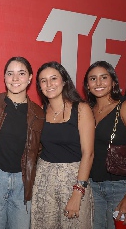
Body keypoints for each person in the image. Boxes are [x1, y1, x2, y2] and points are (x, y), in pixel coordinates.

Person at [0, 56, 44, 229]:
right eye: (10, 73)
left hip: (23, 184)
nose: (15, 79)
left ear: (30, 77)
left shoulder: (39, 113)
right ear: (4, 77)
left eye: (21, 73)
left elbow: (39, 151)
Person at [31, 61, 95, 228]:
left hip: (74, 179)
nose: (49, 84)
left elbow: (88, 153)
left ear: (64, 81)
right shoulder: (40, 111)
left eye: (53, 78)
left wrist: (78, 192)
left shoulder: (81, 109)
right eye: (43, 81)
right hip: (44, 179)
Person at [84, 61, 126, 229]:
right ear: (87, 85)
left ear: (113, 82)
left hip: (121, 187)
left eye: (104, 78)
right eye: (93, 79)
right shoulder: (87, 110)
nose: (98, 83)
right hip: (93, 186)